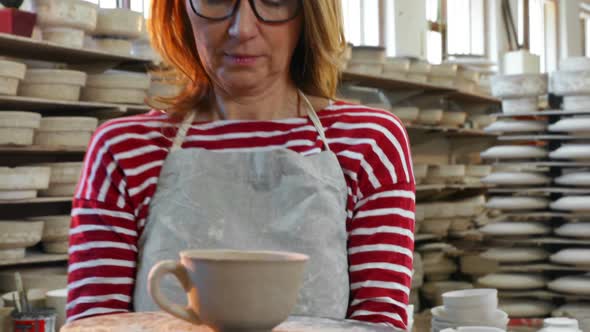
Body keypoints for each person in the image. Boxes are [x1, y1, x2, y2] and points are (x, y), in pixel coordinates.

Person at [66, 0, 415, 330]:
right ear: (179, 9)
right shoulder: (124, 150)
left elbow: (377, 324)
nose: (242, 29)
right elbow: (97, 325)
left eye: (274, 1)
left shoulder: (368, 143)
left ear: (309, 12)